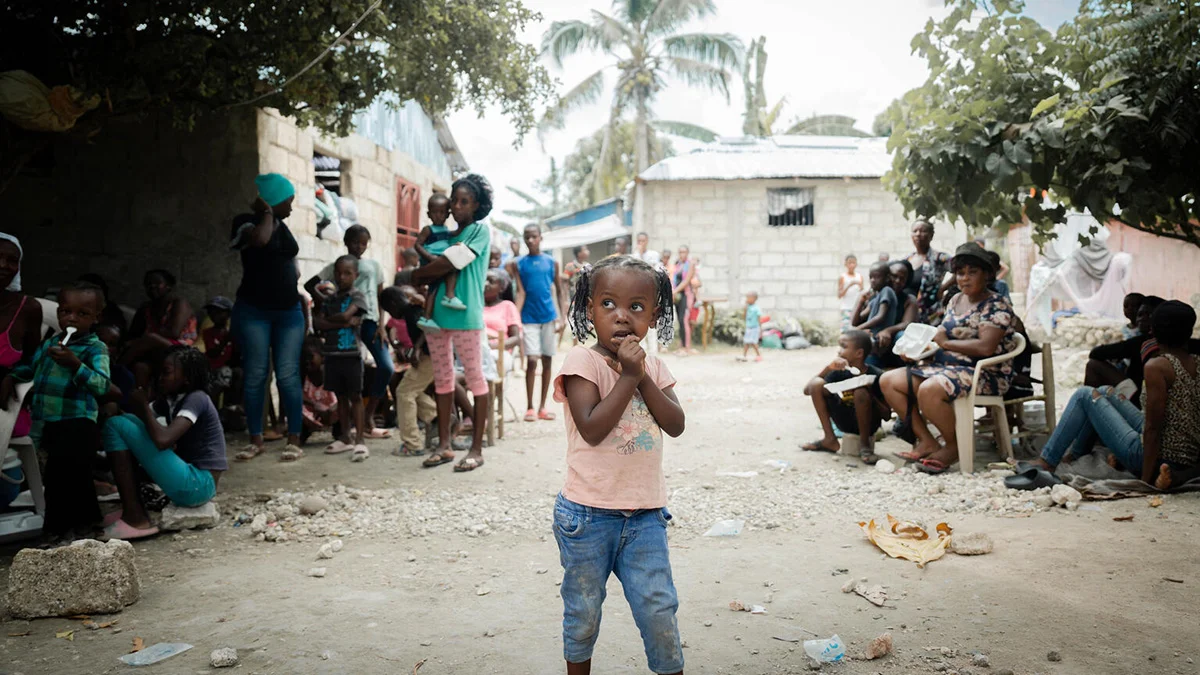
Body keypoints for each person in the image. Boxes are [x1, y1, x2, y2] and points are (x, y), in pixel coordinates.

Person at [554, 255, 684, 675]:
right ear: (589, 309)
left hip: (645, 516)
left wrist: (640, 373)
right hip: (587, 516)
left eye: (637, 307)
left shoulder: (654, 368)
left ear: (654, 315)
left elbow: (676, 424)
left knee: (659, 610)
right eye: (608, 304)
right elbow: (591, 428)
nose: (622, 317)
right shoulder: (582, 363)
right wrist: (628, 377)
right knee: (584, 611)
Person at [879, 242, 1018, 474]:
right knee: (889, 381)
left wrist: (946, 343)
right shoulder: (955, 301)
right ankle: (927, 441)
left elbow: (985, 348)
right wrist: (916, 352)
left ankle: (953, 446)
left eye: (972, 272)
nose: (964, 278)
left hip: (983, 373)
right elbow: (940, 335)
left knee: (929, 390)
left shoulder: (996, 304)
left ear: (987, 275)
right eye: (960, 273)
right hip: (947, 367)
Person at [1033, 301, 1200, 489]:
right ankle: (1077, 453)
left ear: (1153, 330)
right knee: (1105, 391)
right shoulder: (1196, 361)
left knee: (1084, 395)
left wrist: (1145, 481)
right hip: (1185, 455)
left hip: (1155, 456)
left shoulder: (1158, 366)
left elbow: (1153, 428)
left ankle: (1047, 460)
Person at [1, 281, 110, 539]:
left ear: (97, 317)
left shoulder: (95, 348)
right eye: (65, 311)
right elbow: (31, 368)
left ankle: (62, 530)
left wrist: (76, 365)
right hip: (50, 422)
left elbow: (103, 385)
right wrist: (11, 377)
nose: (71, 318)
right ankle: (81, 527)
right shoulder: (50, 343)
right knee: (59, 478)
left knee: (73, 478)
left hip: (78, 423)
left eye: (82, 314)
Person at [100, 346, 227, 540]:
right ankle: (133, 508)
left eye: (166, 373)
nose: (160, 378)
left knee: (115, 425)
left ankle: (136, 518)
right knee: (124, 422)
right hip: (191, 478)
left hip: (199, 484)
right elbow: (138, 424)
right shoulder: (170, 400)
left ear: (187, 378)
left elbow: (163, 440)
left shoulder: (197, 399)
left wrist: (142, 405)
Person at [412, 174, 493, 472]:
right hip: (438, 317)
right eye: (454, 201)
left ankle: (476, 449)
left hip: (466, 315)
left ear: (477, 206)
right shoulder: (442, 234)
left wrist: (418, 276)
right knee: (443, 379)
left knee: (474, 378)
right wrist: (423, 272)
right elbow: (438, 258)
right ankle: (444, 446)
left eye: (464, 202)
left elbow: (452, 261)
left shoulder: (479, 232)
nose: (457, 207)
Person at [229, 173, 306, 462]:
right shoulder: (246, 223)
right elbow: (260, 240)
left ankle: (293, 440)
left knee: (288, 375)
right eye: (288, 201)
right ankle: (255, 440)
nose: (292, 207)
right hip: (254, 312)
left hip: (288, 313)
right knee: (256, 375)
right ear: (273, 201)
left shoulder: (283, 226)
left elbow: (292, 264)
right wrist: (267, 213)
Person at [306, 225, 393, 439]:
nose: (359, 247)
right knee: (348, 371)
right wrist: (326, 301)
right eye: (355, 242)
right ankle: (346, 425)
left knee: (386, 367)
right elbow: (310, 285)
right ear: (346, 242)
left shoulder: (373, 265)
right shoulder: (337, 267)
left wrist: (382, 325)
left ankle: (370, 414)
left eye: (364, 243)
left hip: (369, 321)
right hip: (345, 326)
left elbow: (380, 297)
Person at [312, 255, 370, 462]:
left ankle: (360, 439)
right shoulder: (329, 300)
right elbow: (319, 324)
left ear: (356, 275)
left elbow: (347, 316)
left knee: (355, 396)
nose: (341, 276)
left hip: (351, 355)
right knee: (341, 397)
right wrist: (342, 322)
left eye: (347, 273)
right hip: (332, 354)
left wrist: (334, 321)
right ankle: (345, 437)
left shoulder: (358, 296)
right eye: (338, 272)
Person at [801, 330, 888, 463]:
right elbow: (808, 390)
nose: (839, 351)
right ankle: (829, 439)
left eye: (844, 346)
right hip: (844, 422)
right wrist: (828, 369)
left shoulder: (876, 374)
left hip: (869, 424)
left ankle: (864, 446)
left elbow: (887, 415)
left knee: (860, 392)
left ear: (859, 353)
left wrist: (869, 394)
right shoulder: (839, 372)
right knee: (817, 383)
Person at [510, 224, 565, 422]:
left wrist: (563, 317)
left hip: (548, 316)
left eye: (534, 237)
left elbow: (558, 290)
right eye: (527, 237)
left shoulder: (551, 262)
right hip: (528, 318)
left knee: (547, 359)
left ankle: (543, 406)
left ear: (541, 238)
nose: (530, 240)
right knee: (532, 360)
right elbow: (520, 292)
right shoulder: (519, 264)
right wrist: (513, 318)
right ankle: (530, 407)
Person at [380, 286, 439, 457]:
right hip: (431, 356)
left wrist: (417, 349)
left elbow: (426, 330)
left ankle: (412, 444)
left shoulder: (413, 312)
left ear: (393, 303)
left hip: (429, 357)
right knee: (412, 390)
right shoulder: (412, 311)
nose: (392, 315)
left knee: (404, 393)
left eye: (389, 310)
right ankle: (436, 417)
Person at [0, 234, 45, 440]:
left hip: (4, 404)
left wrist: (13, 377)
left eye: (12, 261)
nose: (3, 265)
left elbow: (33, 360)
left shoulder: (28, 309)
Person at [122, 269, 198, 387]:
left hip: (181, 350)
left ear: (168, 286)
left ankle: (116, 368)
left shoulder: (179, 303)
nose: (152, 286)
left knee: (151, 337)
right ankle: (143, 400)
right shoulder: (146, 308)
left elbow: (174, 332)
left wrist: (139, 341)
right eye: (148, 284)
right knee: (140, 367)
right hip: (156, 351)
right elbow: (133, 334)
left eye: (157, 283)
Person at [413, 193, 461, 331]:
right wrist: (429, 257)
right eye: (435, 212)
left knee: (435, 288)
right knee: (450, 271)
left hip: (441, 260)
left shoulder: (446, 230)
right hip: (431, 260)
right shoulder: (428, 230)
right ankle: (448, 297)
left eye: (442, 212)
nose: (438, 216)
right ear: (429, 214)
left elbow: (451, 237)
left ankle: (429, 316)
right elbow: (417, 245)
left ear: (447, 215)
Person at [905, 218, 952, 325]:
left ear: (931, 235)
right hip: (908, 315)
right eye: (915, 231)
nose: (918, 234)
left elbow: (960, 269)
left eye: (923, 231)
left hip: (931, 315)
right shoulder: (907, 259)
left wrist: (943, 288)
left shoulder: (939, 258)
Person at [873, 260, 920, 364]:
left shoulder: (909, 299)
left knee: (903, 335)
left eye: (902, 279)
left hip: (896, 344)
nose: (898, 281)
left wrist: (888, 331)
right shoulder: (874, 296)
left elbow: (907, 323)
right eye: (894, 276)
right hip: (876, 344)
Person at [300, 337, 338, 445]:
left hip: (331, 413)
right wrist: (315, 407)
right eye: (303, 357)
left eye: (310, 356)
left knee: (344, 410)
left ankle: (341, 432)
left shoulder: (331, 374)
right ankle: (304, 432)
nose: (307, 361)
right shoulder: (302, 377)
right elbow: (297, 398)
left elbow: (345, 397)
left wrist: (331, 410)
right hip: (311, 415)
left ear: (322, 357)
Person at [851, 261, 899, 335]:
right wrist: (861, 302)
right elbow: (855, 322)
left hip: (881, 338)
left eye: (876, 277)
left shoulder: (887, 290)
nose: (872, 280)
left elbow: (880, 317)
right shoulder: (875, 299)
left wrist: (859, 329)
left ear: (887, 278)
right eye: (871, 277)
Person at [671, 245, 699, 355]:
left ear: (687, 253)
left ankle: (687, 347)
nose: (682, 254)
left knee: (684, 320)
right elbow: (674, 279)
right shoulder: (678, 265)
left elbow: (686, 281)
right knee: (680, 321)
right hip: (678, 296)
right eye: (680, 252)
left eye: (684, 252)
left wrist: (675, 291)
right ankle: (681, 346)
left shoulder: (690, 265)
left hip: (686, 295)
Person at [838, 254, 864, 331]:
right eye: (850, 263)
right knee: (845, 330)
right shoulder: (843, 277)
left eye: (853, 263)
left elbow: (862, 292)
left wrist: (860, 286)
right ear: (845, 264)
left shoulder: (859, 277)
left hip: (857, 308)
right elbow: (839, 295)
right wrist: (849, 285)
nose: (852, 265)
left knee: (856, 329)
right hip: (846, 308)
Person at [739, 290, 763, 362]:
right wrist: (745, 308)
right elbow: (744, 317)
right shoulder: (748, 307)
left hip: (755, 328)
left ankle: (759, 355)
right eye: (746, 297)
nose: (747, 299)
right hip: (748, 327)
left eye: (748, 297)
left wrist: (760, 329)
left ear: (754, 299)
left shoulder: (756, 308)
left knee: (753, 342)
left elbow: (759, 319)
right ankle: (744, 356)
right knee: (746, 342)